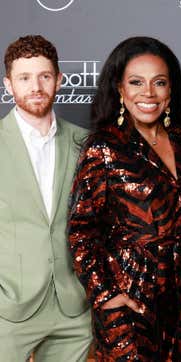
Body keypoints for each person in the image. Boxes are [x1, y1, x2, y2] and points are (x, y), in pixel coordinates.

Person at [67, 36, 181, 360]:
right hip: (130, 302)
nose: (148, 93)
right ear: (120, 89)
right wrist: (106, 295)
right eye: (136, 82)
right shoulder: (103, 148)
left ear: (171, 90)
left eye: (159, 82)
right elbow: (81, 231)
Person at [0, 34, 91, 361]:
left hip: (73, 309)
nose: (35, 86)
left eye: (45, 76)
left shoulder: (85, 143)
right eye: (24, 78)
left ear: (59, 80)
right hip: (9, 310)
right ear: (9, 84)